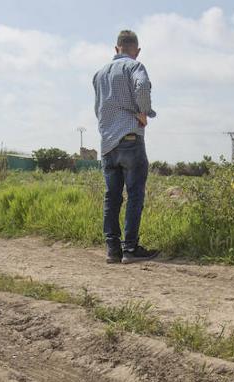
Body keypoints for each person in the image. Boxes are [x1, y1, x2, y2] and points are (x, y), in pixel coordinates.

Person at [93, 29, 158, 265]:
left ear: (116, 48)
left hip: (107, 144)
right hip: (130, 139)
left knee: (111, 197)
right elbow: (142, 87)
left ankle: (112, 250)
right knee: (135, 195)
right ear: (137, 51)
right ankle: (130, 249)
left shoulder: (99, 74)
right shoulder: (135, 67)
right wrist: (143, 112)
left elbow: (98, 108)